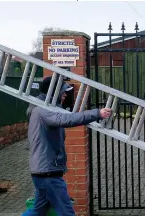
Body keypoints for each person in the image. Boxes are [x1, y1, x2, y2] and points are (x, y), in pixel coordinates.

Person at [26, 76, 111, 216]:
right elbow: (67, 119)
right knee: (67, 212)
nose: (65, 94)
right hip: (48, 174)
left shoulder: (43, 109)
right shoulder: (42, 111)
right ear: (53, 93)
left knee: (38, 211)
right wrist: (97, 113)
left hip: (43, 172)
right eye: (62, 91)